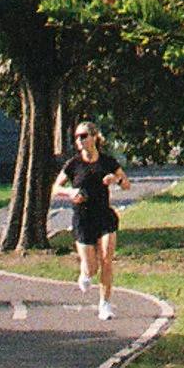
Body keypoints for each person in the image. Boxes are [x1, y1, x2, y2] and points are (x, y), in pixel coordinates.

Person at [55, 120, 131, 321]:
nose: (79, 140)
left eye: (83, 136)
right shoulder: (73, 164)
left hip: (104, 215)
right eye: (77, 137)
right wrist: (70, 192)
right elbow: (56, 188)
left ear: (94, 137)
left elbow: (126, 184)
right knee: (92, 267)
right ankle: (85, 272)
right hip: (83, 218)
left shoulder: (107, 162)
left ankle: (104, 304)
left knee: (106, 259)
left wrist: (115, 180)